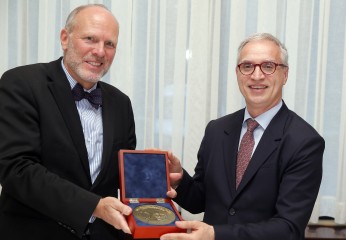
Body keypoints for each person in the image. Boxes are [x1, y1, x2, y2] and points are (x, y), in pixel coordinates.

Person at [161, 33, 325, 240]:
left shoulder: (304, 141)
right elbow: (200, 200)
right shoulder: (216, 130)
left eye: (268, 66)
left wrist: (215, 234)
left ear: (285, 74)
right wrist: (179, 179)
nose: (256, 76)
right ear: (238, 73)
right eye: (247, 66)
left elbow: (288, 228)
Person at [0, 4, 136, 240]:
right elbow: (16, 169)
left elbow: (124, 177)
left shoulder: (121, 103)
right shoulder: (21, 83)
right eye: (90, 39)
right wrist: (93, 206)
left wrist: (157, 178)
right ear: (65, 38)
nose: (100, 51)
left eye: (109, 44)